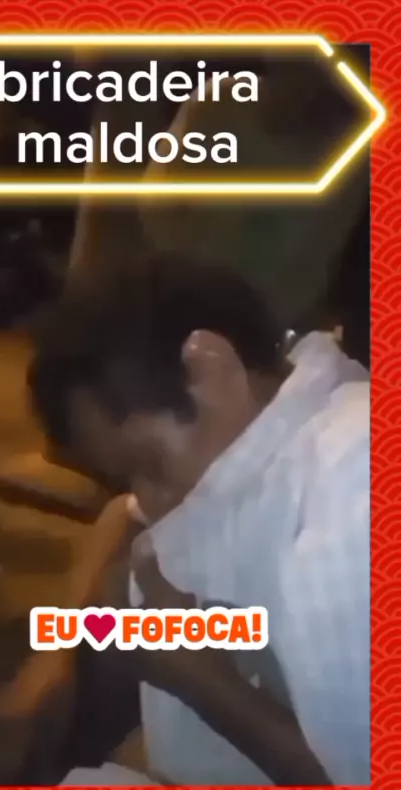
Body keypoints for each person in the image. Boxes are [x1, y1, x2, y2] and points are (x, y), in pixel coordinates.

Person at [26, 252, 370, 786]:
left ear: (208, 367)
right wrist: (51, 663)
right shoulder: (273, 419)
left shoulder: (345, 515)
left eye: (150, 465)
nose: (151, 502)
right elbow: (127, 518)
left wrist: (198, 679)